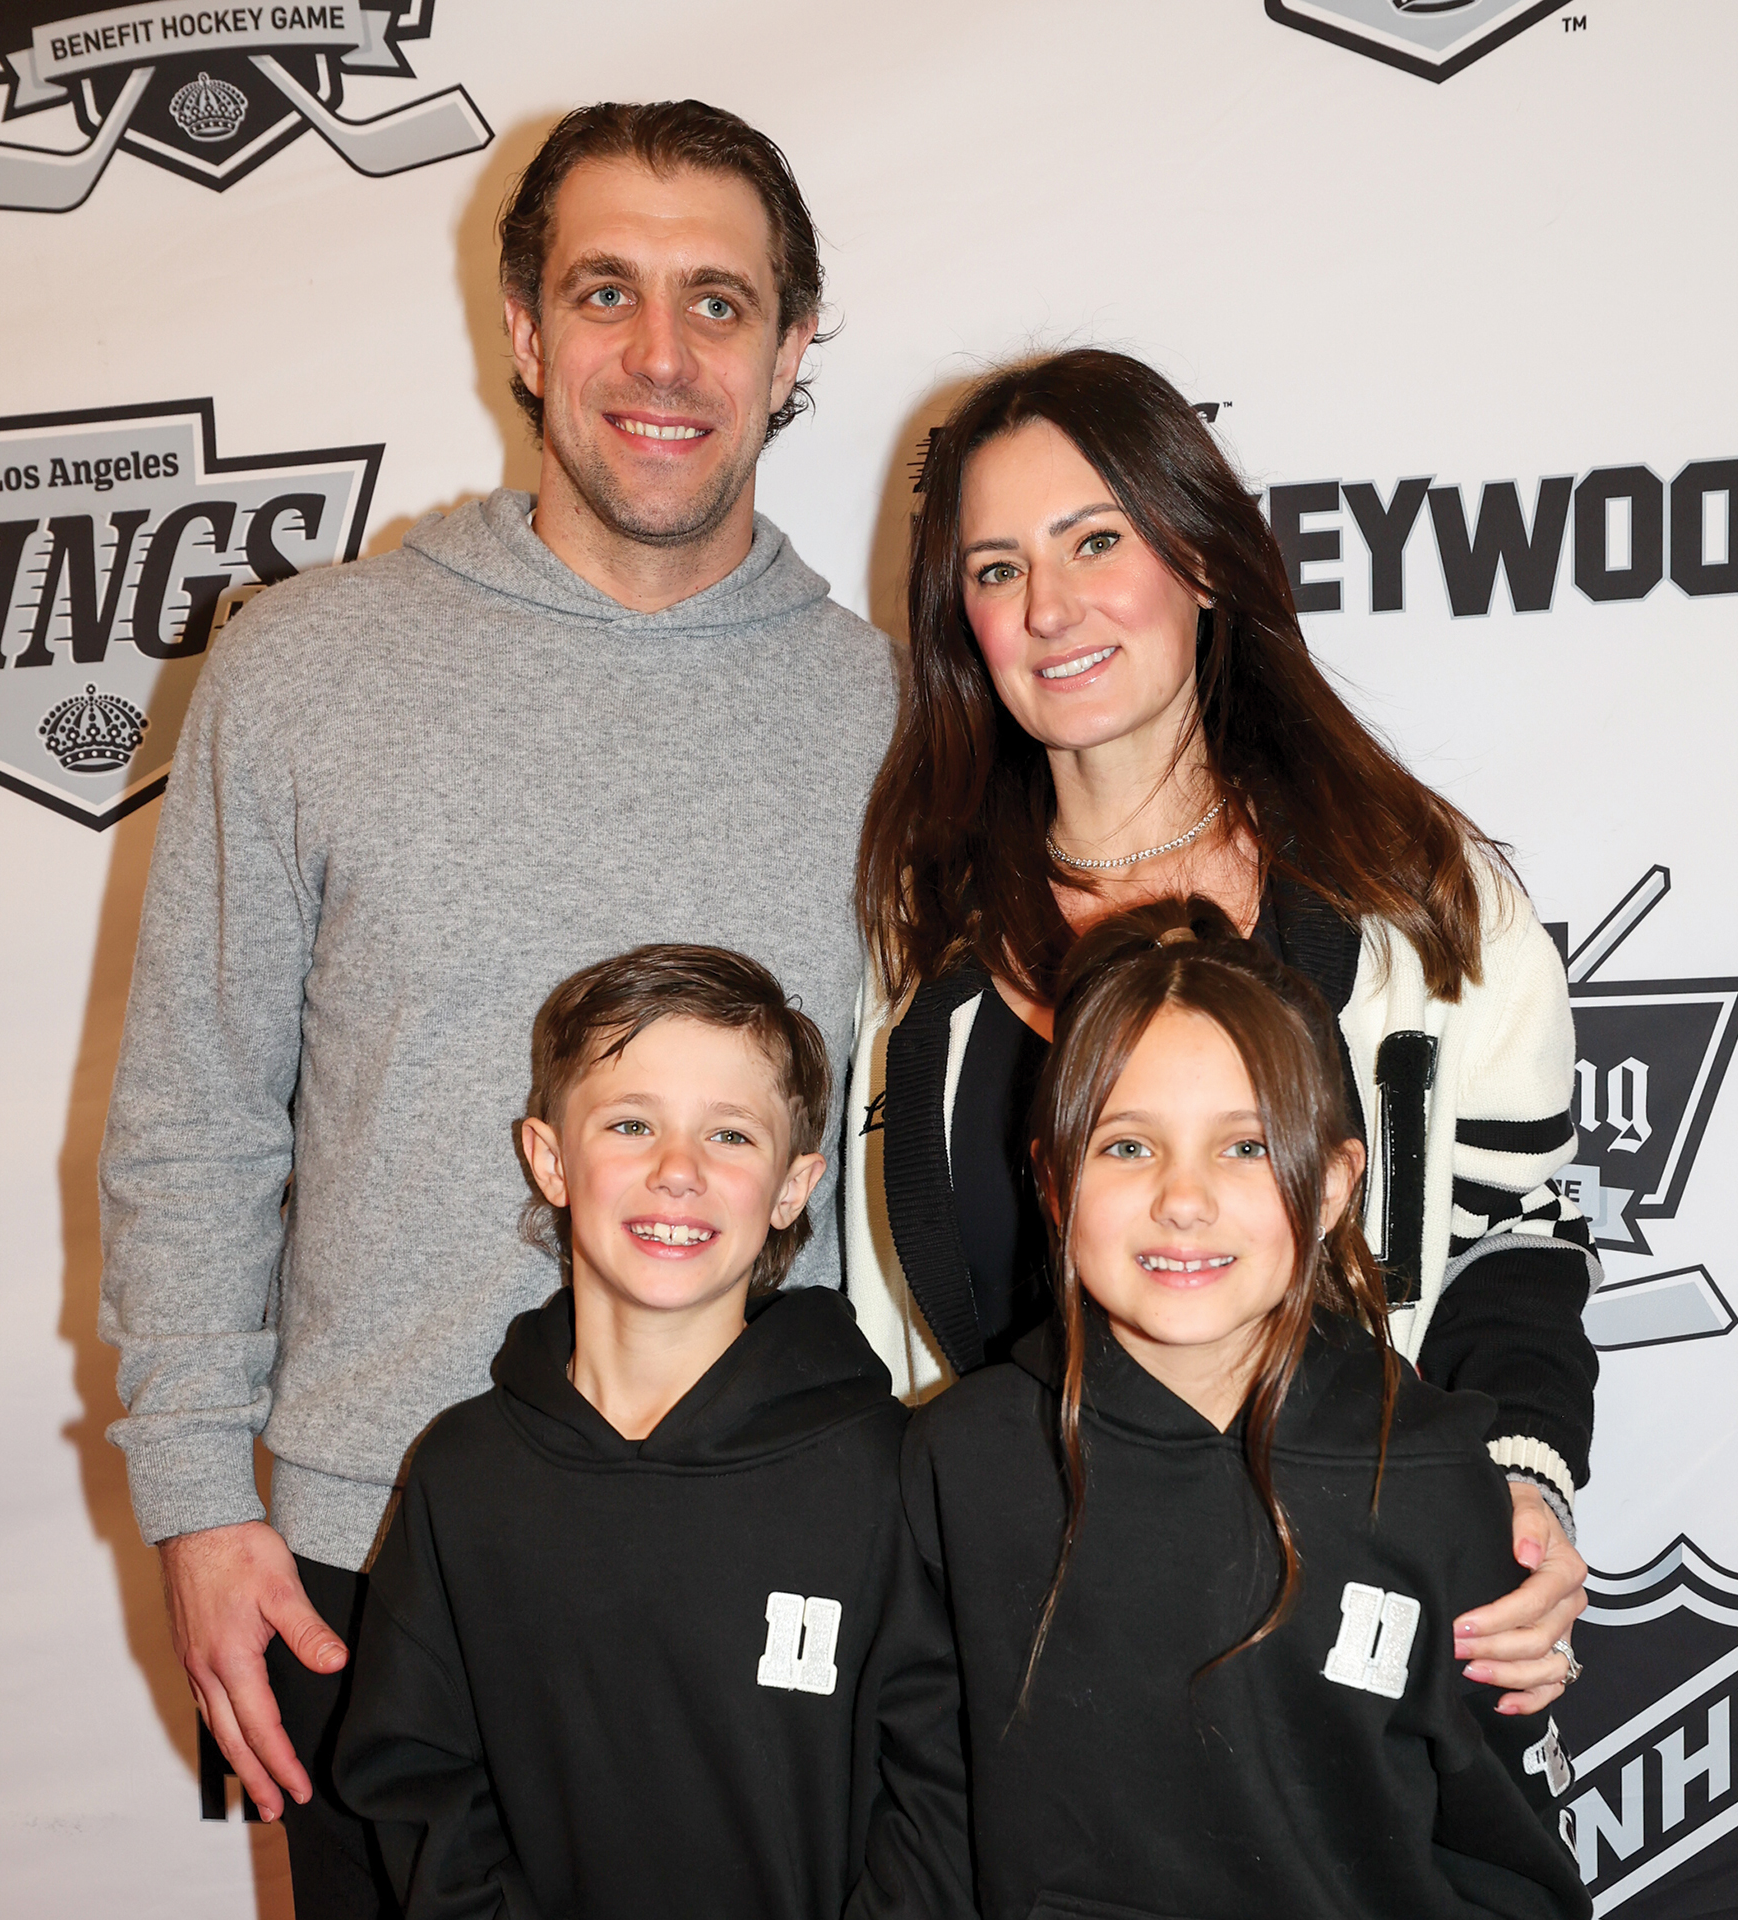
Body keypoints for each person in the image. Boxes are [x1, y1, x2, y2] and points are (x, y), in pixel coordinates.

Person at [97, 101, 896, 1915]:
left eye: (718, 301)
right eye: (606, 292)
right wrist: (201, 1502)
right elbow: (196, 1116)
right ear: (525, 332)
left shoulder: (898, 720)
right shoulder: (302, 670)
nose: (662, 354)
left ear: (791, 351)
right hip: (370, 1551)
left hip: (783, 1556)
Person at [847, 348, 1598, 1718]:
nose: (1049, 607)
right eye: (998, 568)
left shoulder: (1415, 897)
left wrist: (1523, 1481)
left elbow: (1519, 1244)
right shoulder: (923, 945)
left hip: (1354, 1649)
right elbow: (887, 1328)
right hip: (1026, 1675)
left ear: (1200, 558)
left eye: (1095, 541)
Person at [896, 900, 1591, 1920]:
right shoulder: (957, 1463)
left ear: (1334, 1186)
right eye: (1126, 1147)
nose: (1183, 1199)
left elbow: (1512, 1865)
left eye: (1247, 1147)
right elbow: (922, 1828)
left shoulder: (1435, 1478)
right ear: (1051, 1180)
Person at [334, 945, 966, 1920]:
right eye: (632, 1124)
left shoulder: (885, 1476)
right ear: (551, 1159)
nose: (679, 1172)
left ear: (795, 1186)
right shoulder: (464, 1480)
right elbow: (418, 1782)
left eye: (730, 1135)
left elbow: (939, 1796)